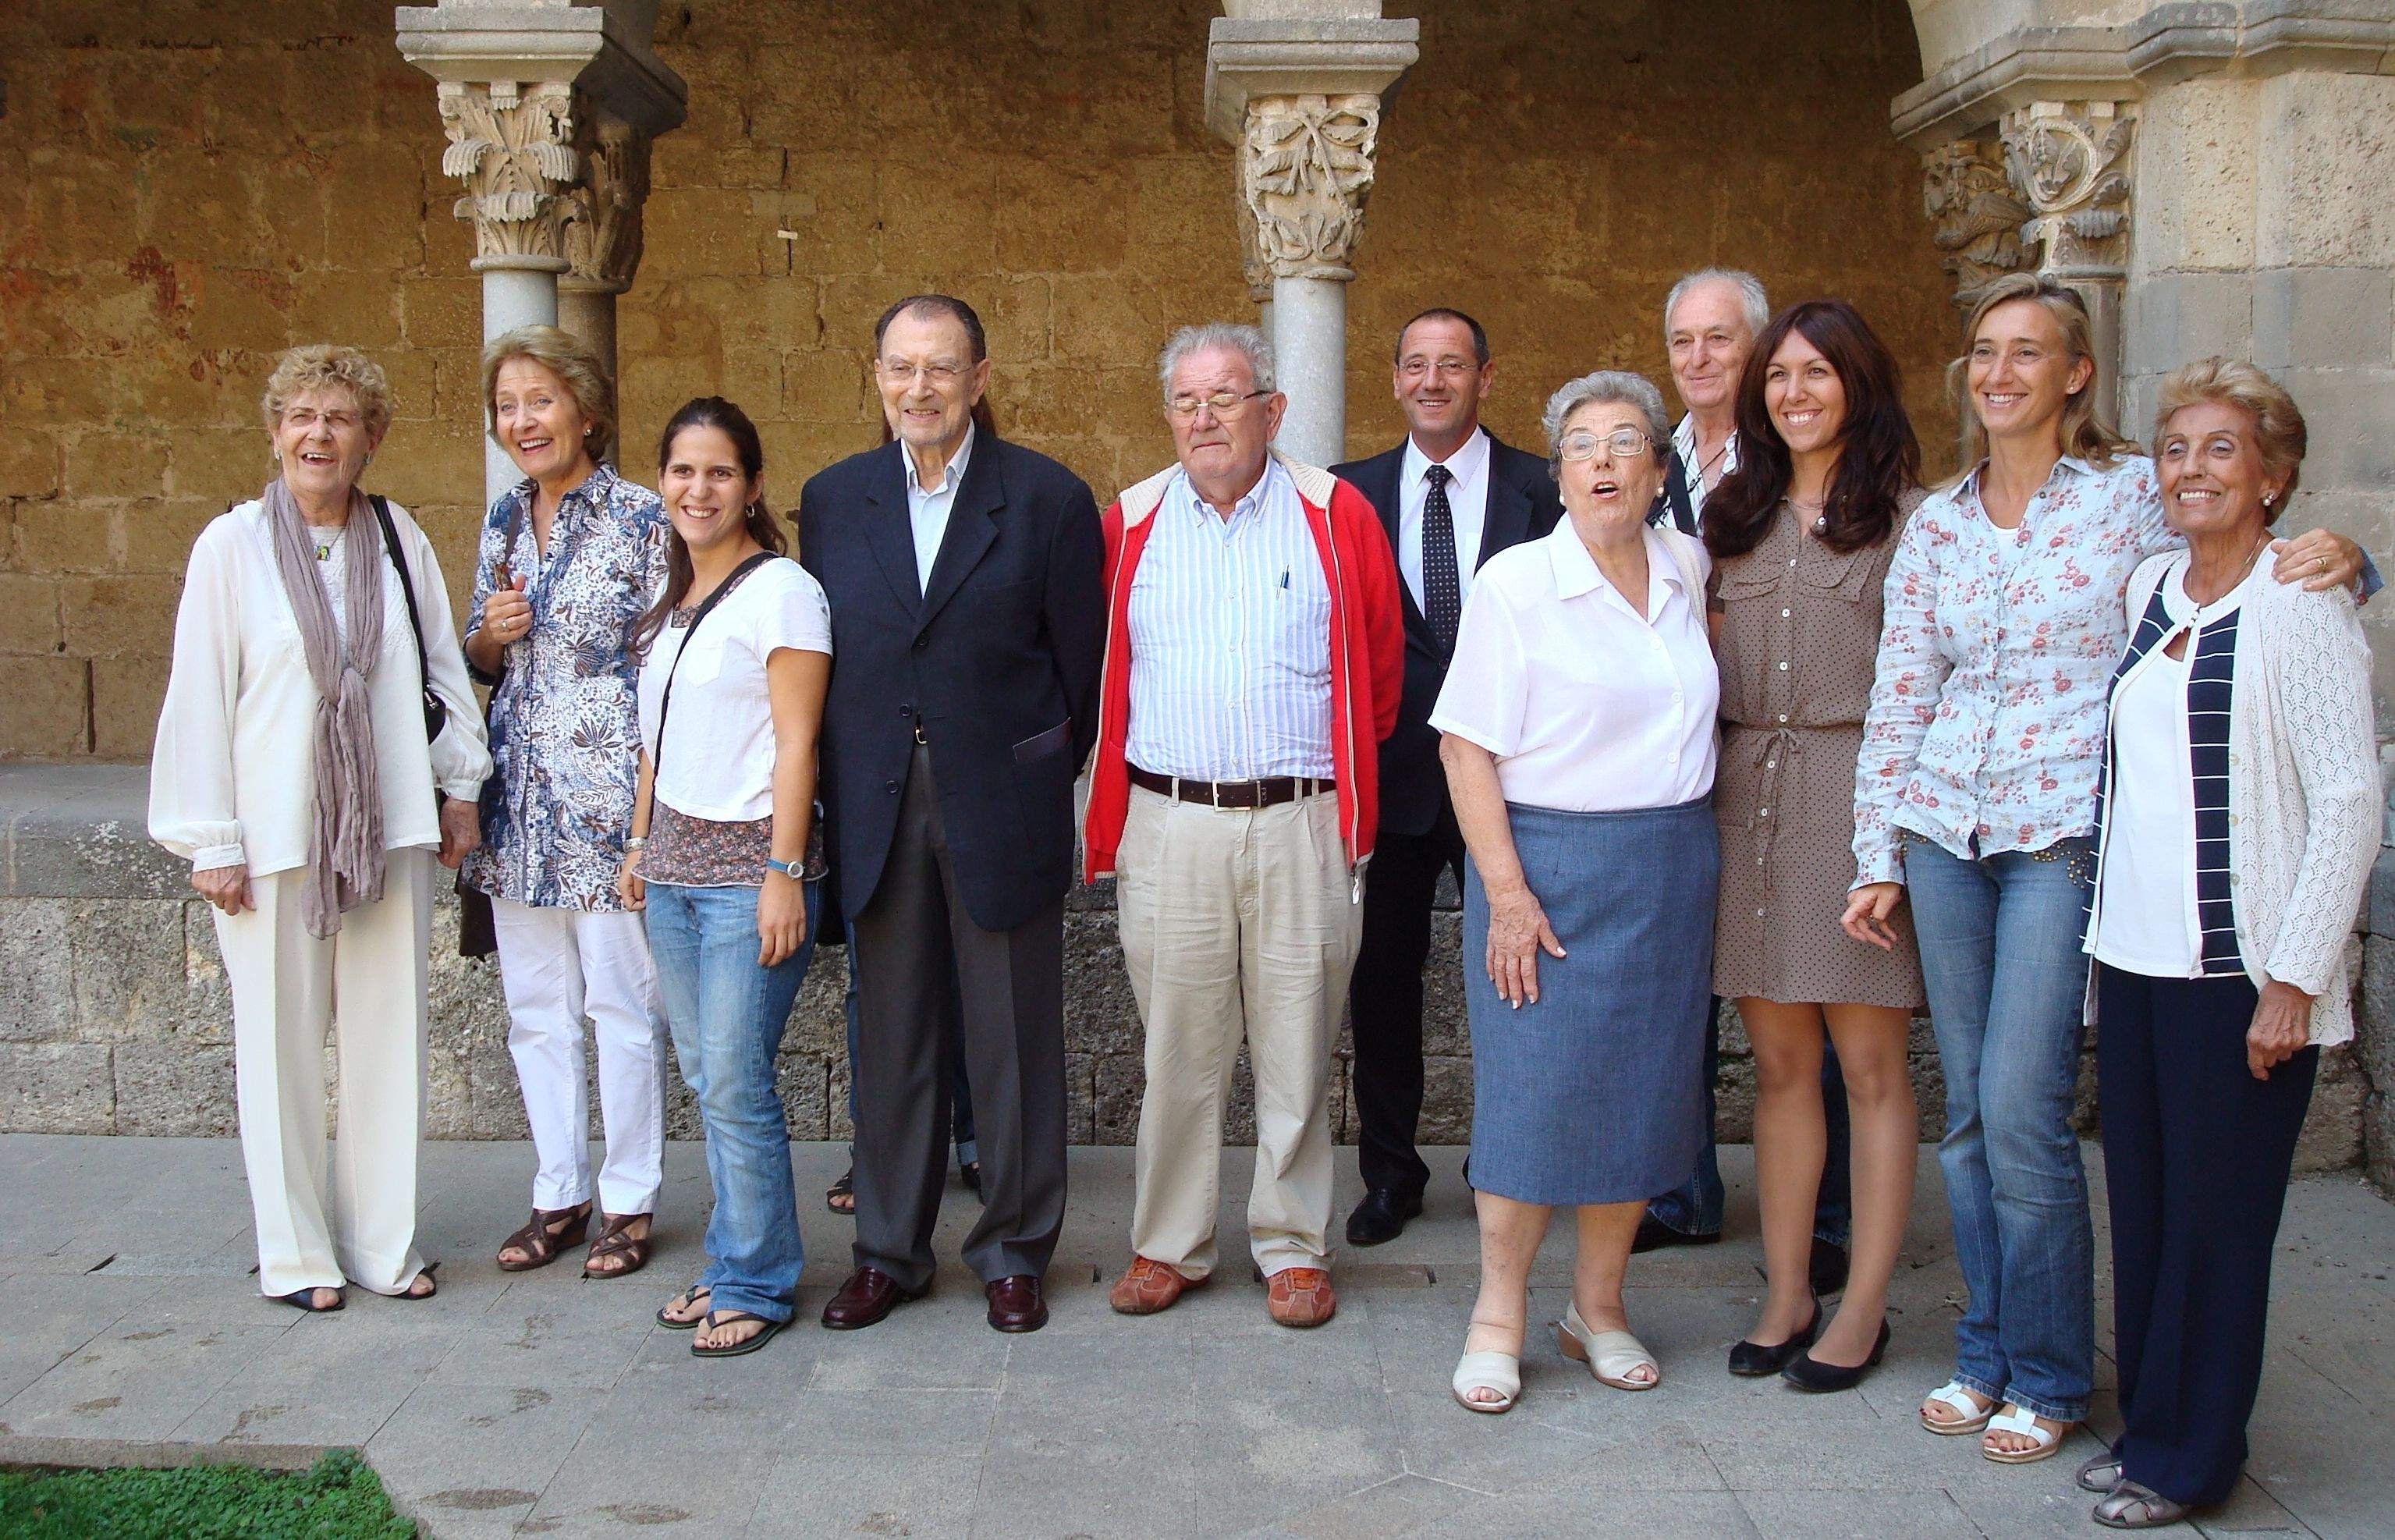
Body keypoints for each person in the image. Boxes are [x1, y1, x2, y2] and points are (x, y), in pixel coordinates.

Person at [1849, 273, 2368, 1463]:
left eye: (2026, 353)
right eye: (1983, 352)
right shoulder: (1934, 519)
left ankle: (2048, 1371)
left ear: (2073, 374)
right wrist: (1877, 847)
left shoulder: (2129, 495)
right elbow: (1902, 690)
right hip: (1944, 833)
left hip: (2060, 837)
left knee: (2026, 1107)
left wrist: (2352, 561)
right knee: (1972, 1112)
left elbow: (2247, 564)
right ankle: (1987, 1347)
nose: (1998, 374)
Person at [2076, 360, 2377, 1528]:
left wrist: (2291, 979)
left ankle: (2192, 1460)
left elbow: (2349, 800)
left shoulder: (2300, 600)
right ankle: (2148, 1427)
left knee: (2218, 1223)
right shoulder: (2150, 582)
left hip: (2239, 973)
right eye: (2173, 448)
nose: (2189, 469)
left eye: (2218, 449)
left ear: (2272, 475)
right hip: (2138, 963)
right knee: (2147, 1211)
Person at [151, 344, 489, 1311]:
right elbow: (200, 694)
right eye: (300, 416)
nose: (318, 434)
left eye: (340, 418)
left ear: (370, 439)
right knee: (278, 1046)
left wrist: (459, 787)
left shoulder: (397, 538)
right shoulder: (231, 547)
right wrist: (211, 837)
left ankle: (384, 1247)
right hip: (271, 837)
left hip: (386, 826)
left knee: (390, 1041)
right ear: (274, 432)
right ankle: (297, 1255)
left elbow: (437, 669)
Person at [1086, 322, 1402, 1329]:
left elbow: (1380, 676)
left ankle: (1293, 1245)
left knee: (1299, 1043)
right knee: (1176, 1048)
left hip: (1300, 820)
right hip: (1169, 818)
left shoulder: (1333, 513)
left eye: (1226, 397)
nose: (1205, 418)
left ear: (1272, 408)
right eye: (1186, 401)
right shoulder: (1128, 522)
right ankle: (1168, 1244)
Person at [800, 295, 1105, 1336]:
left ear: (978, 378)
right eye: (900, 368)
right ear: (876, 375)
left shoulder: (1047, 499)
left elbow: (1082, 671)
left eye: (940, 368)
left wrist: (1030, 766)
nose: (918, 388)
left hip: (1001, 797)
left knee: (1013, 1038)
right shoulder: (834, 500)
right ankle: (888, 1250)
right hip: (880, 799)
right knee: (892, 1040)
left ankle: (1014, 1250)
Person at [1433, 370, 1718, 1413]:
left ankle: (1596, 1306)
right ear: (1555, 475)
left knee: (1642, 1096)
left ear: (1656, 472)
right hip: (1543, 868)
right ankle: (1497, 1314)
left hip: (1668, 867)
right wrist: (1504, 895)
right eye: (1582, 444)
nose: (1602, 460)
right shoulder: (1515, 581)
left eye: (1625, 442)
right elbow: (1464, 748)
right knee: (1530, 1096)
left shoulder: (1688, 566)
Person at [1702, 300, 1926, 1392]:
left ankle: (1865, 1305)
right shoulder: (1726, 517)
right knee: (1782, 1066)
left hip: (1857, 801)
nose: (1795, 392)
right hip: (1748, 803)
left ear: (1857, 386)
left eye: (1818, 374)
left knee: (1870, 1068)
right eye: (1779, 376)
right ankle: (1787, 1287)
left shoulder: (1912, 520)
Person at [1330, 307, 1563, 1247]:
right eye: (1416, 365)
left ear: (1485, 377)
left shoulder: (1541, 489)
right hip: (1390, 777)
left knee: (1515, 977)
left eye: (1453, 366)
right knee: (1380, 983)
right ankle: (1390, 1174)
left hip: (1512, 776)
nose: (1433, 381)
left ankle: (1507, 1161)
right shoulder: (1347, 495)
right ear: (1393, 380)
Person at [1643, 268, 1853, 1290]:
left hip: (1800, 755)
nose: (1698, 360)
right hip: (1693, 759)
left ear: (1759, 349)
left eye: (1719, 340)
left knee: (1807, 992)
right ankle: (1681, 1190)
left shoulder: (1794, 467)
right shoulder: (1655, 461)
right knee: (1688, 986)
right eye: (1682, 341)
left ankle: (1825, 1216)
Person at [459, 325, 672, 1282]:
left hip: (604, 802)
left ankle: (629, 1199)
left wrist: (644, 819)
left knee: (619, 1004)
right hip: (518, 807)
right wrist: (488, 638)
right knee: (535, 1007)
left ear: (586, 409)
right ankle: (558, 1190)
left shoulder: (640, 517)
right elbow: (477, 662)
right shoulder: (503, 518)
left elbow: (663, 669)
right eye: (507, 405)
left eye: (539, 400)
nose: (522, 420)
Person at [625, 397, 831, 1358]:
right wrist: (637, 847)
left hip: (748, 873)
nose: (696, 489)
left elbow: (799, 744)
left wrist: (783, 873)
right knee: (708, 1077)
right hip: (671, 874)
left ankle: (757, 1279)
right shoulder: (673, 602)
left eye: (718, 473)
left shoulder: (782, 589)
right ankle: (733, 1253)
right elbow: (655, 745)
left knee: (738, 1082)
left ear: (752, 487)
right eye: (680, 471)